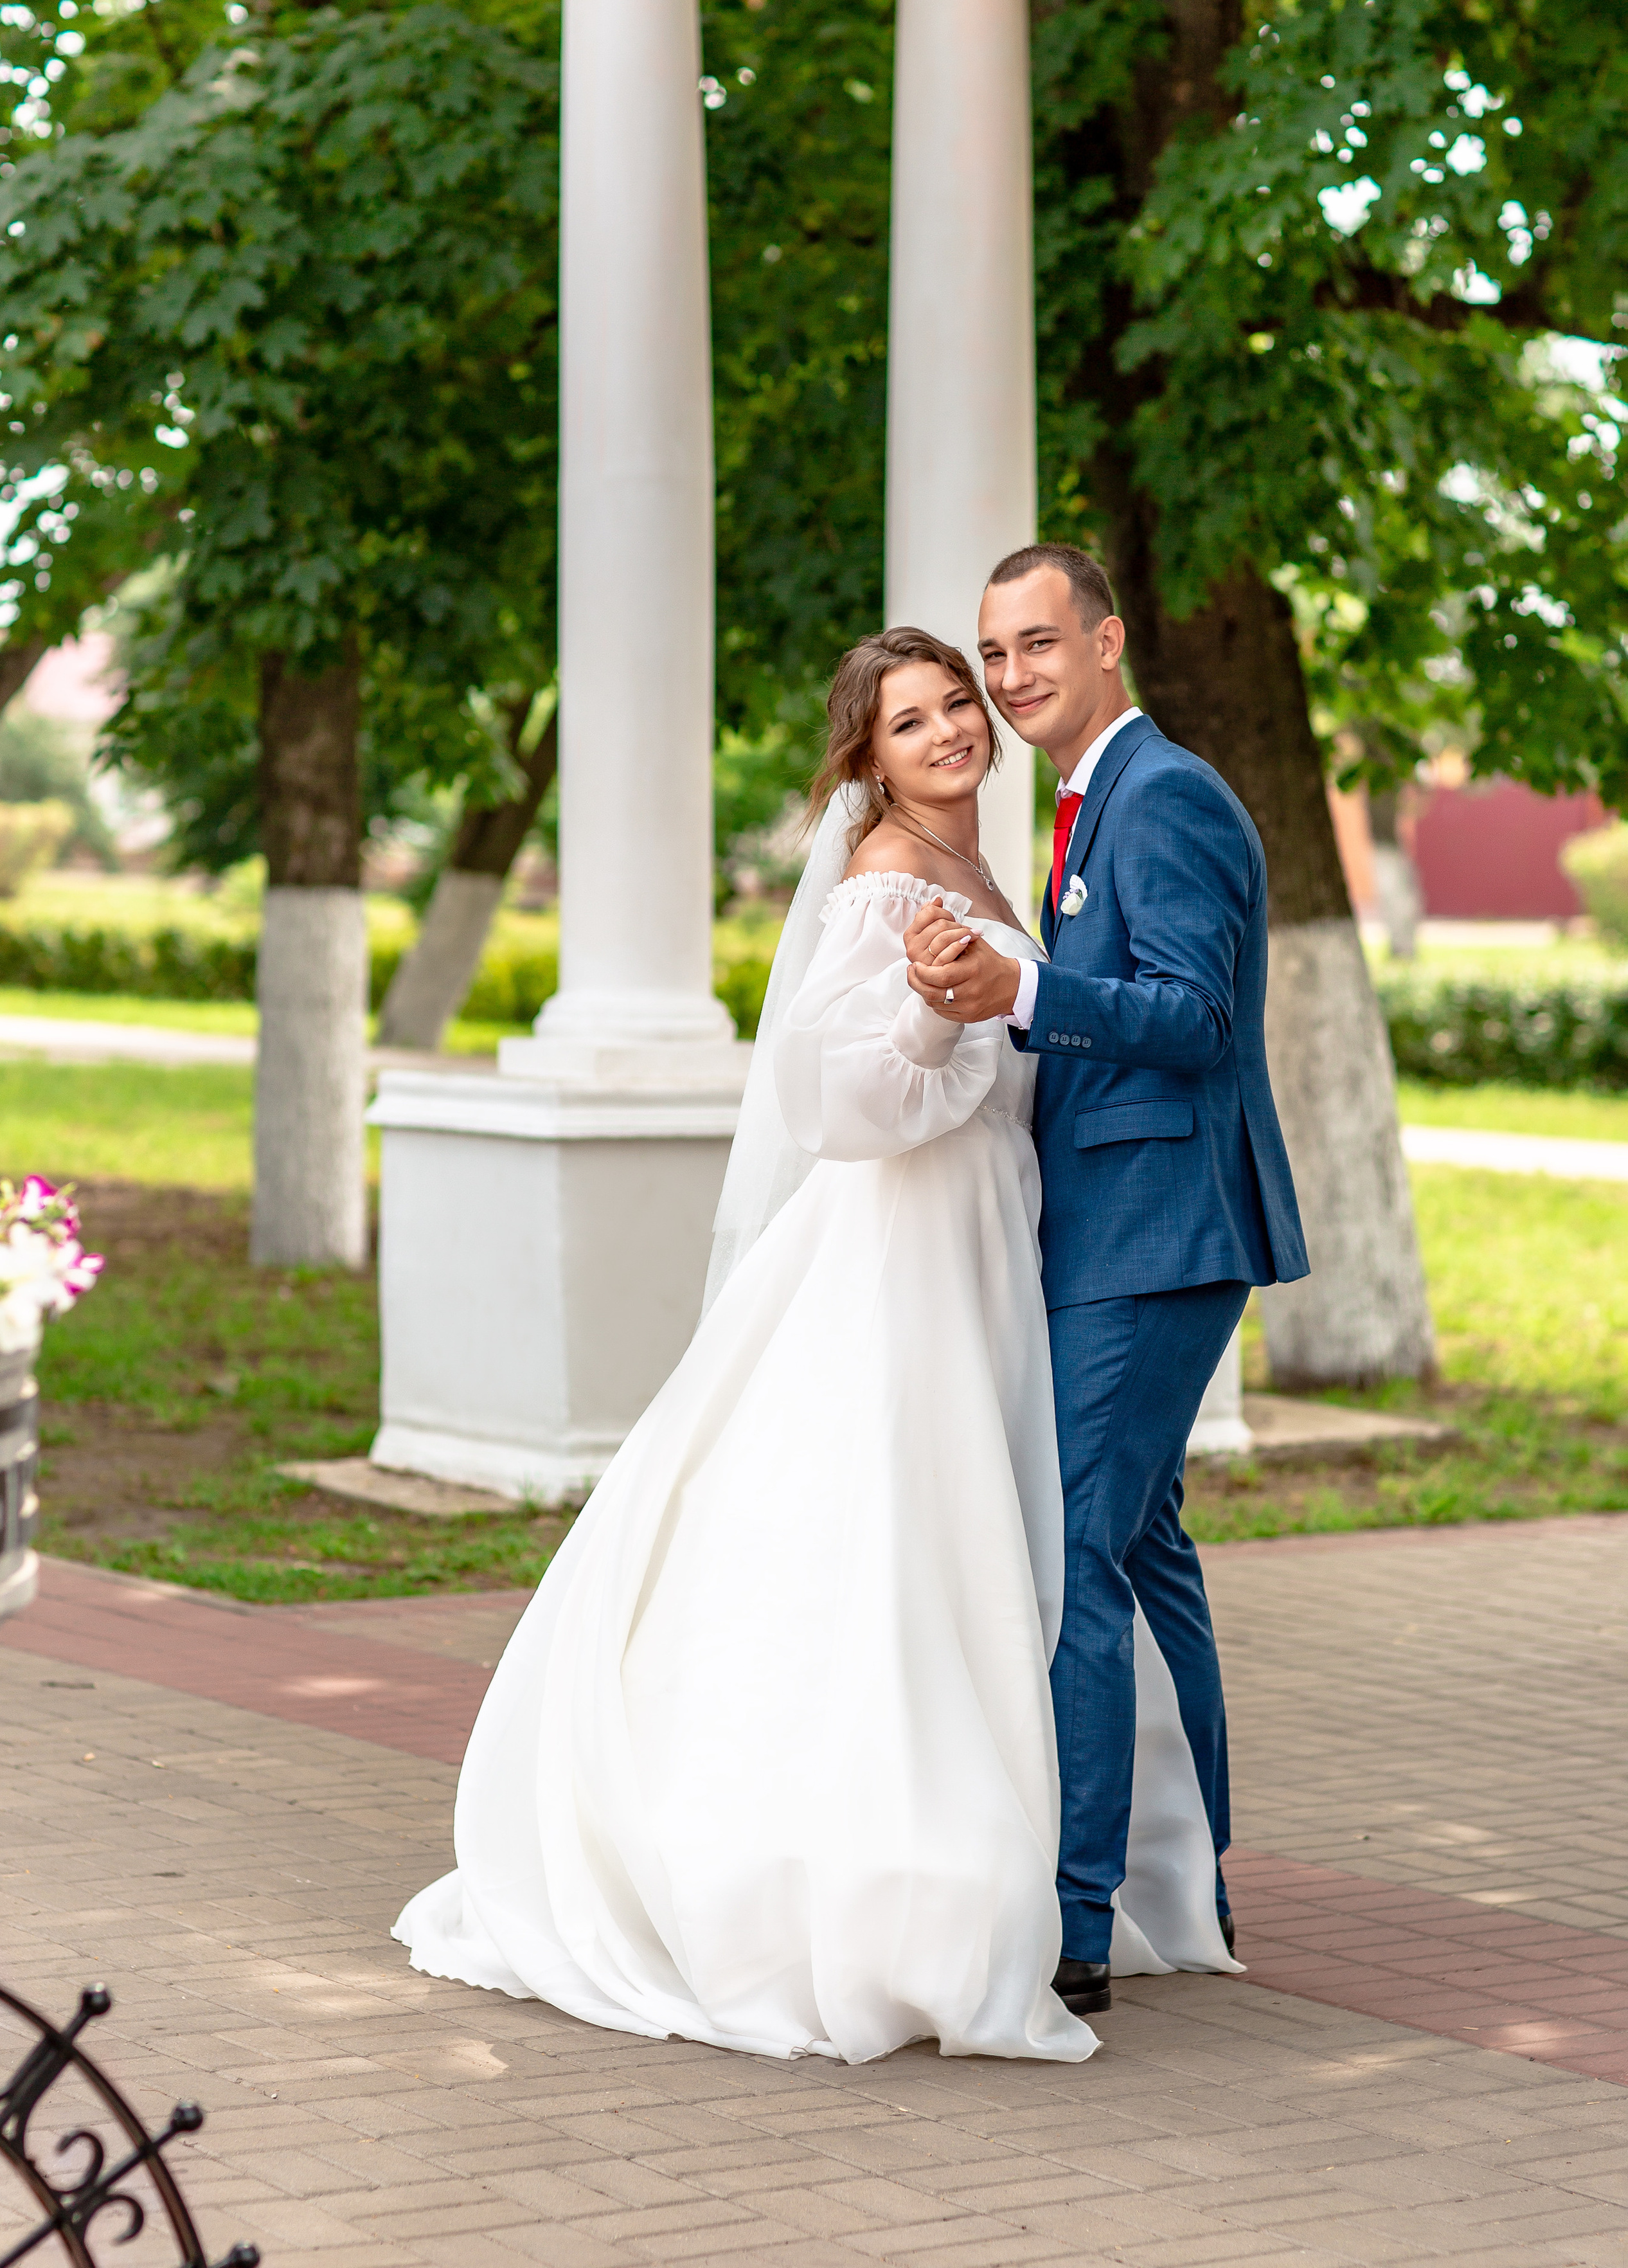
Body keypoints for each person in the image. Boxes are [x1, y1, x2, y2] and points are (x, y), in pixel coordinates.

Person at [394, 624, 1234, 2066]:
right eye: (909, 724)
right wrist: (919, 1008)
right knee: (894, 1535)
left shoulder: (987, 868)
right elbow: (833, 1101)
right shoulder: (883, 885)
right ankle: (879, 1880)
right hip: (901, 1243)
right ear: (870, 761)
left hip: (997, 1234)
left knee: (1023, 1536)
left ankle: (1093, 1865)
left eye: (956, 706)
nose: (949, 734)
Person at [904, 544, 1308, 2018]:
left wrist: (1020, 992)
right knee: (1143, 1555)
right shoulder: (1086, 806)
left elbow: (1196, 1021)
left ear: (1107, 641)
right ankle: (1179, 1883)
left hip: (1154, 1232)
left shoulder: (1167, 795)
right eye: (992, 654)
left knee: (1075, 1553)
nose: (1009, 677)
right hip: (1111, 1227)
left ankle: (1074, 1926)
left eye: (1034, 645)